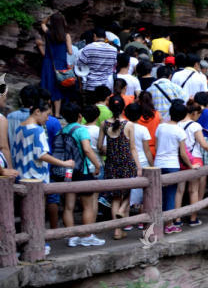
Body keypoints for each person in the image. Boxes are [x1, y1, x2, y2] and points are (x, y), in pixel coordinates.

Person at [13, 99, 75, 251]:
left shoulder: (18, 128)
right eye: (47, 115)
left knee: (25, 213)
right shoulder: (38, 130)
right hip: (36, 176)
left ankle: (26, 244)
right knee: (37, 212)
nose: (48, 119)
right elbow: (41, 154)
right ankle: (39, 244)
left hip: (21, 176)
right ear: (37, 112)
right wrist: (64, 163)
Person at [57, 103, 104, 247]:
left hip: (68, 172)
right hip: (82, 171)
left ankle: (71, 237)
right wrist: (97, 165)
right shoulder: (81, 130)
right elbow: (87, 150)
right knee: (88, 207)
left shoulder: (62, 131)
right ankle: (87, 235)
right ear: (79, 115)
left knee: (68, 207)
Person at [98, 96, 140, 240]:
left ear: (109, 107)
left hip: (111, 164)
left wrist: (107, 149)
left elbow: (99, 146)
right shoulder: (128, 125)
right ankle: (123, 209)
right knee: (129, 191)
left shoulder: (104, 124)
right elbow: (133, 148)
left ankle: (117, 231)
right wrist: (139, 167)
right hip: (126, 163)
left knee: (115, 197)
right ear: (123, 107)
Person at [178, 99, 208, 227]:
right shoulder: (195, 126)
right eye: (198, 115)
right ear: (194, 114)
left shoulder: (177, 124)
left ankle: (176, 220)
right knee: (193, 191)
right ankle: (193, 219)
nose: (198, 117)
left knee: (179, 191)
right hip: (195, 159)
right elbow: (204, 145)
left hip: (181, 159)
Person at [155, 100, 197, 234]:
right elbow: (183, 154)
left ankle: (156, 223)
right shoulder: (179, 131)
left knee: (158, 195)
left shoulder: (160, 127)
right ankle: (168, 224)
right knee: (170, 195)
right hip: (172, 164)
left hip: (158, 164)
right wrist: (191, 166)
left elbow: (156, 146)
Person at [37, 12, 74, 117]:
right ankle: (57, 114)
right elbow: (70, 52)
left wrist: (49, 17)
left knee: (48, 86)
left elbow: (42, 24)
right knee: (58, 87)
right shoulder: (66, 36)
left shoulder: (48, 32)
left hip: (48, 63)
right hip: (60, 64)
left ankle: (49, 112)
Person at [125, 102, 153, 228]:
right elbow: (147, 150)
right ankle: (142, 221)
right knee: (143, 194)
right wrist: (152, 164)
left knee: (126, 192)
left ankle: (126, 223)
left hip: (127, 162)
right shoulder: (143, 129)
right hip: (142, 161)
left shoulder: (123, 127)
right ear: (140, 115)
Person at [76, 28, 118, 92]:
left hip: (92, 84)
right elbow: (114, 64)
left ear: (94, 36)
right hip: (107, 84)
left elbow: (79, 64)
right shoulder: (114, 50)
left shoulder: (88, 47)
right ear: (105, 37)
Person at [0, 81, 19, 178]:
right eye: (5, 95)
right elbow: (3, 147)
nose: (5, 98)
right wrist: (8, 170)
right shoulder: (1, 119)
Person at [136, 90, 161, 157]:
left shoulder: (136, 117)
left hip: (140, 151)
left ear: (139, 100)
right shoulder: (158, 115)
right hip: (156, 149)